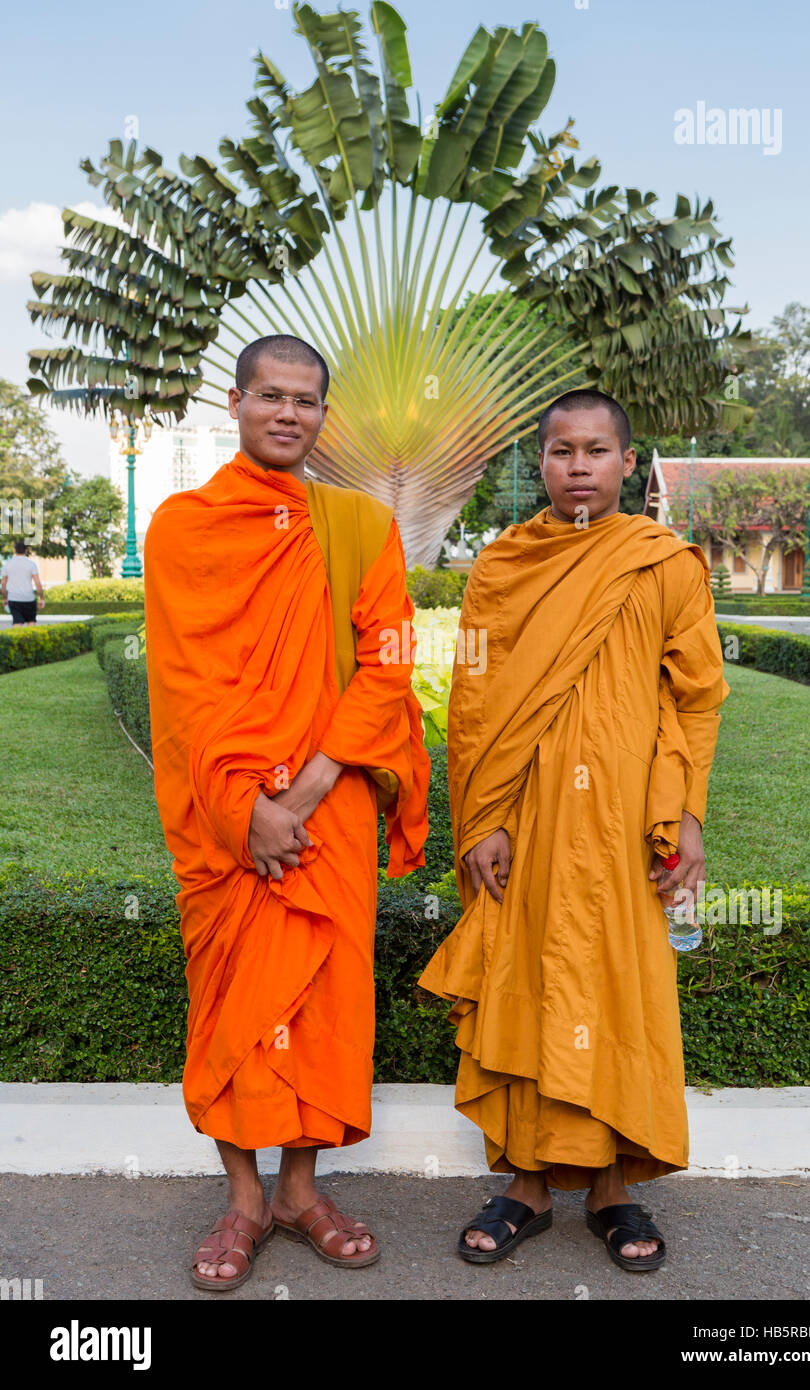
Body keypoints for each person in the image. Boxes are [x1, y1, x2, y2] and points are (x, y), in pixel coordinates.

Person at [419, 388, 730, 1271]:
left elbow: (699, 697)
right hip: (529, 817)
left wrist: (690, 814)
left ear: (629, 464)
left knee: (617, 986)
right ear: (541, 463)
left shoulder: (662, 562)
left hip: (632, 819)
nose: (579, 465)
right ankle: (524, 1183)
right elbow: (474, 706)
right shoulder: (504, 566)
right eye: (561, 451)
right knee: (523, 971)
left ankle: (612, 1187)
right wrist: (482, 817)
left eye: (597, 450)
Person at [143, 334, 429, 1290]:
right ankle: (242, 1201)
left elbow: (390, 661)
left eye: (306, 401)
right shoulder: (184, 527)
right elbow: (188, 691)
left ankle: (303, 1193)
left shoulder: (358, 524)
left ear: (322, 414)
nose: (288, 414)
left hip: (326, 806)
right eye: (271, 396)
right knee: (231, 999)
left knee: (322, 999)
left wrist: (298, 795)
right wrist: (246, 812)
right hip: (226, 821)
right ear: (234, 402)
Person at [1, 540, 45, 624]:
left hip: (13, 599)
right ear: (25, 551)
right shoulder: (31, 564)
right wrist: (41, 598)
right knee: (31, 623)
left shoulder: (7, 564)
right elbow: (37, 583)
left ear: (14, 550)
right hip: (29, 599)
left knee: (17, 623)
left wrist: (4, 598)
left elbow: (3, 583)